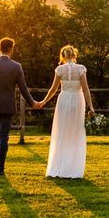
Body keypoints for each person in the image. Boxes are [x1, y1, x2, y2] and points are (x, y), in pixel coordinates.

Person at [0, 37, 39, 175]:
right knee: (3, 137)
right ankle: (0, 168)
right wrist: (32, 103)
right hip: (8, 107)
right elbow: (23, 89)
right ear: (11, 49)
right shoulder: (16, 66)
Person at [40, 45, 95, 178]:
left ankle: (60, 166)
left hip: (64, 100)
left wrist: (44, 101)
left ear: (63, 56)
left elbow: (53, 89)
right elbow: (86, 89)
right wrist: (91, 106)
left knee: (62, 131)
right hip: (77, 100)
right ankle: (73, 168)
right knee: (75, 132)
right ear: (74, 55)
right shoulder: (81, 69)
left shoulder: (60, 69)